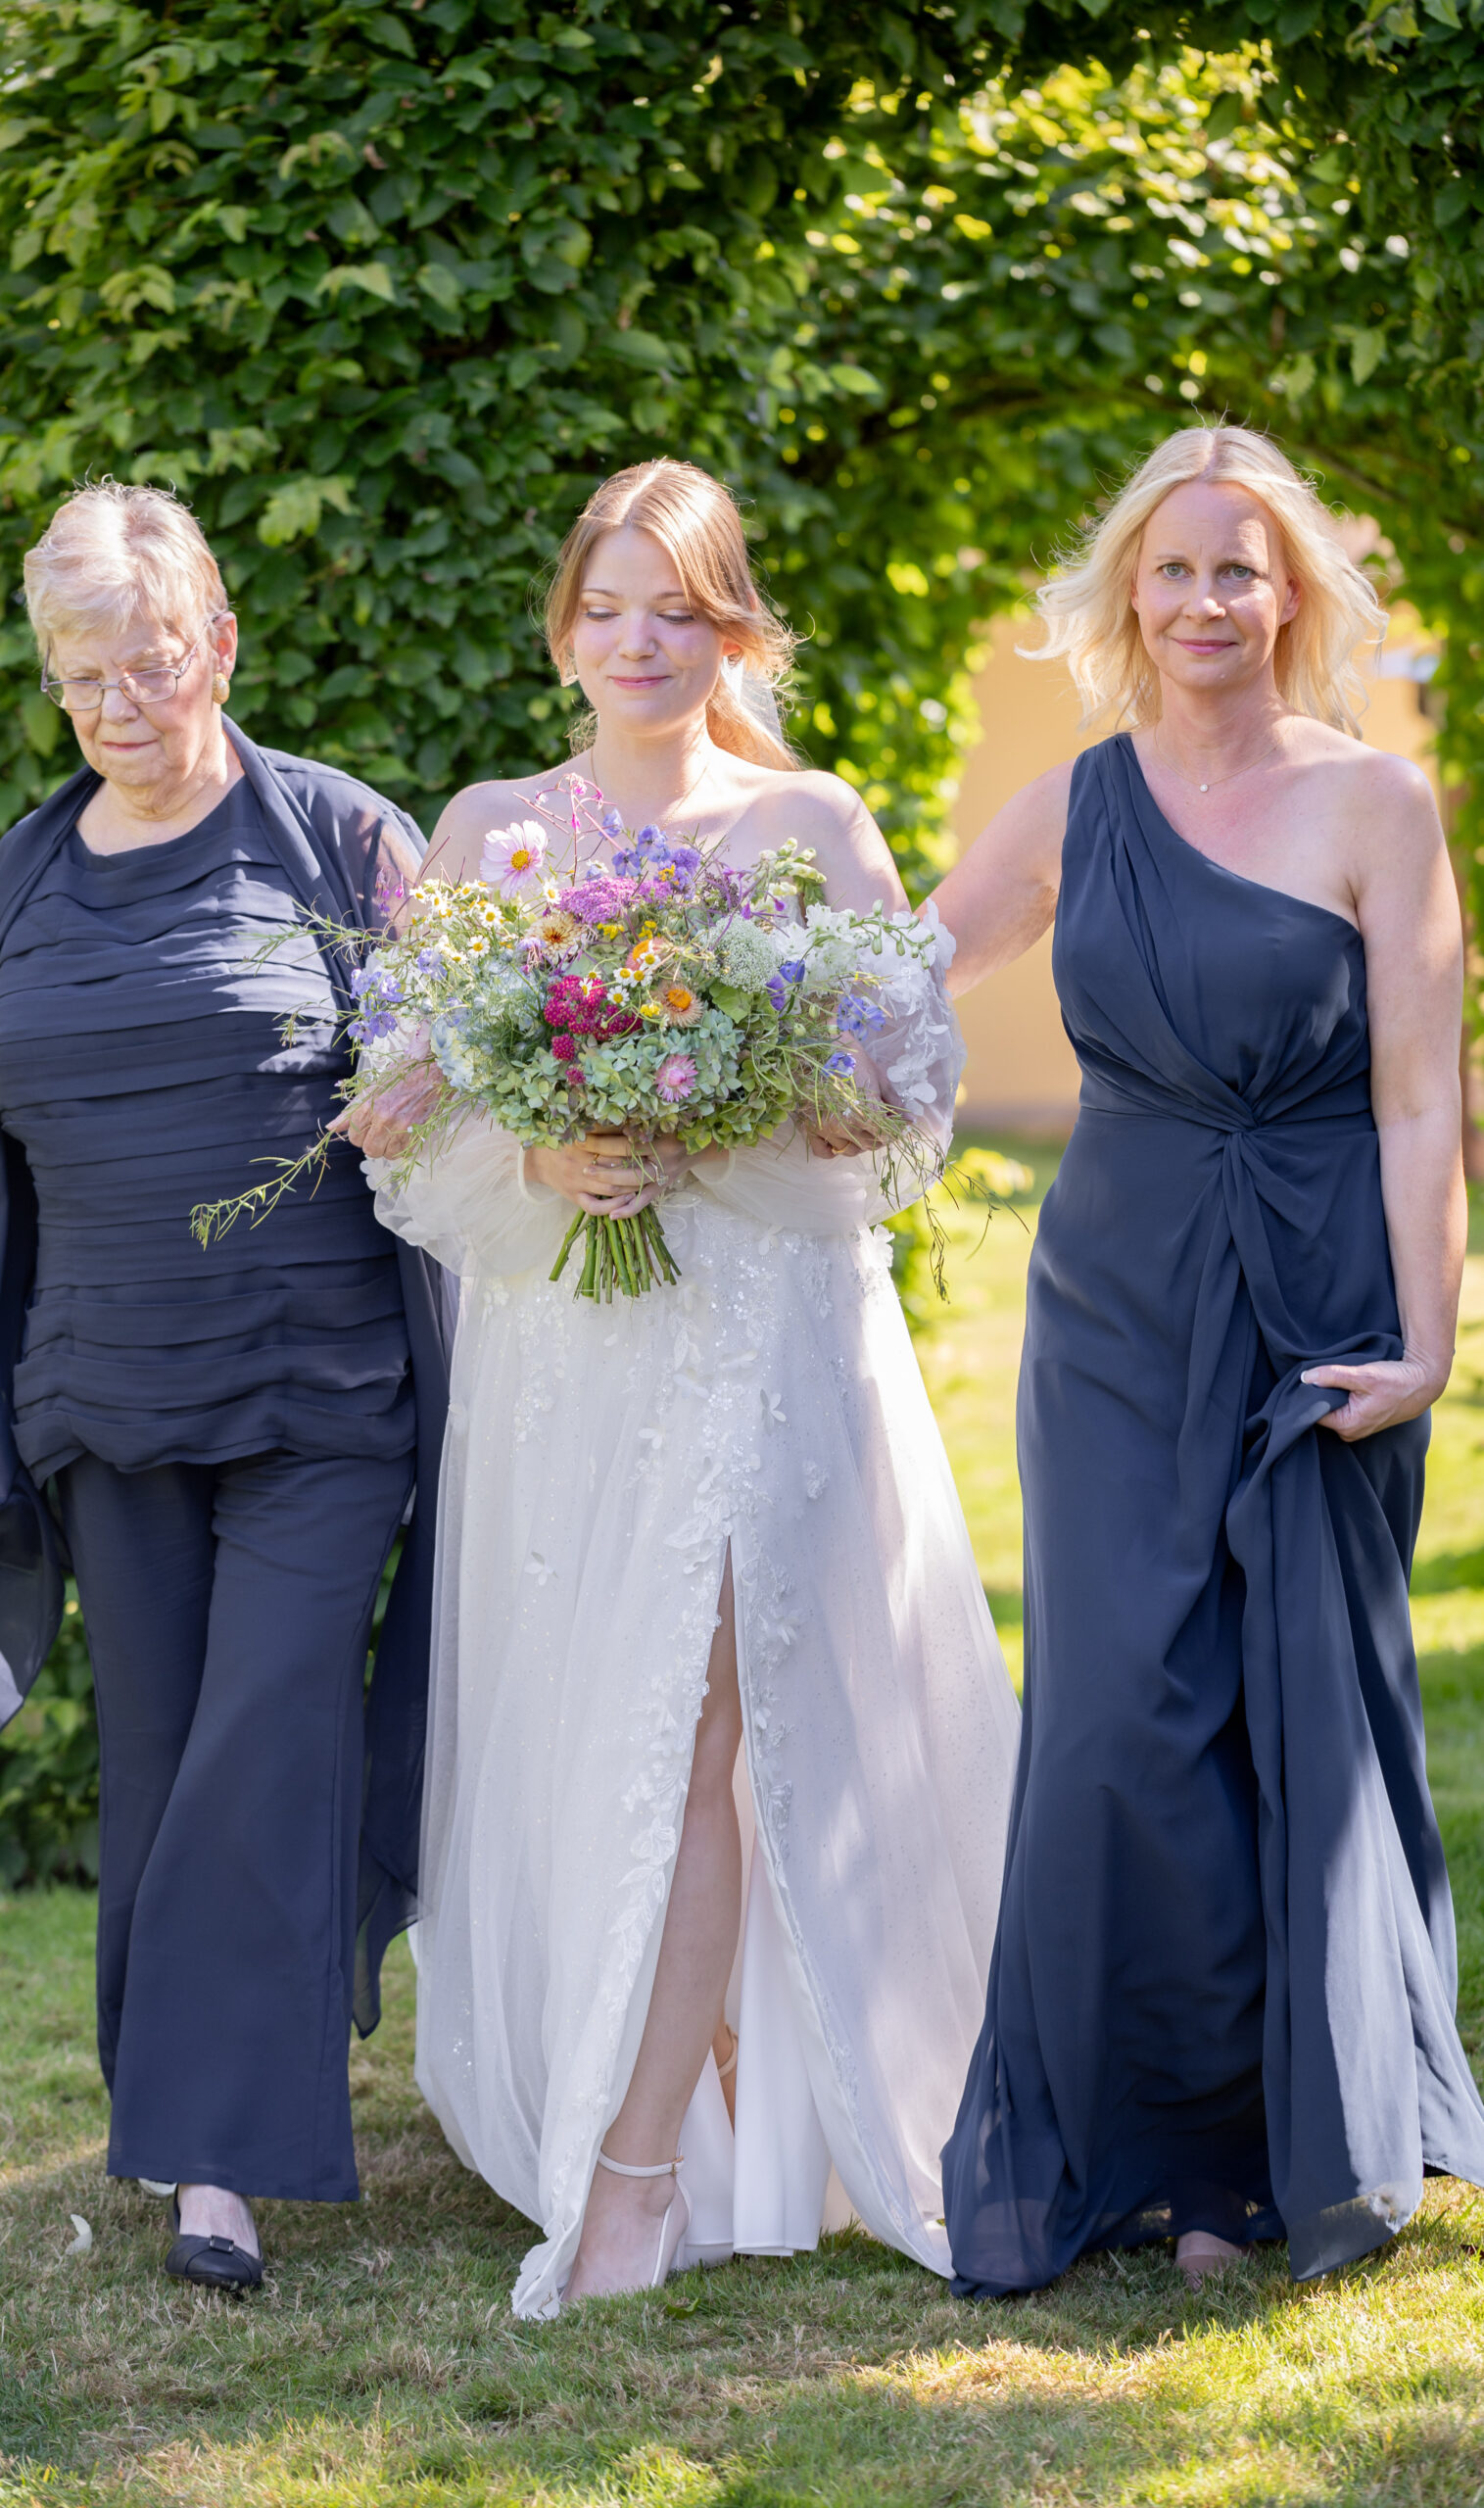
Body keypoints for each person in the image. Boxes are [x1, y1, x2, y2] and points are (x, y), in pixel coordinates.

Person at [350, 458, 1021, 2317]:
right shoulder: (490, 831)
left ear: (730, 626)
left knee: (711, 1720)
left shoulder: (807, 822)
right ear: (564, 623)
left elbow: (902, 1105)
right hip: (570, 1341)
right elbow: (397, 1120)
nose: (639, 643)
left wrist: (716, 1104)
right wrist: (548, 1150)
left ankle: (638, 2173)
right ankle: (687, 2090)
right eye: (607, 606)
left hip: (754, 1334)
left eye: (679, 608)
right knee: (595, 1711)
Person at [0, 483, 451, 2290]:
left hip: (324, 1394)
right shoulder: (27, 867)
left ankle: (225, 2177)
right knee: (162, 1762)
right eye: (78, 673)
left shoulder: (337, 842)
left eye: (146, 662)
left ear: (219, 645)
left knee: (268, 1734)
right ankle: (186, 2132)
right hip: (104, 1397)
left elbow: (459, 1092)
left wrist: (443, 1094)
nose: (113, 703)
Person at [933, 423, 1484, 2293]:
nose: (1203, 602)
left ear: (1292, 594)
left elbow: (1422, 1106)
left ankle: (1282, 2151)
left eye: (1239, 568)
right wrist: (655, 1015)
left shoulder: (1376, 807)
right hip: (1115, 1302)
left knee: (1301, 1716)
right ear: (1126, 593)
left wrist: (1429, 1337)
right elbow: (890, 978)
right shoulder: (1077, 804)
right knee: (1118, 1715)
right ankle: (1152, 2146)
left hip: (1323, 1289)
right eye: (1172, 569)